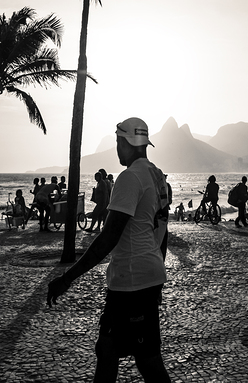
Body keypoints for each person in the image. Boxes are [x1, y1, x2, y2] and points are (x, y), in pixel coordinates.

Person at [47, 117, 171, 383]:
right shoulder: (157, 175)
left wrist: (67, 278)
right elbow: (162, 229)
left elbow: (108, 238)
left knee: (146, 360)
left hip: (132, 281)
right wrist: (157, 273)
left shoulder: (130, 177)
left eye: (117, 142)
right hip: (143, 278)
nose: (116, 148)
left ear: (128, 143)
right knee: (109, 349)